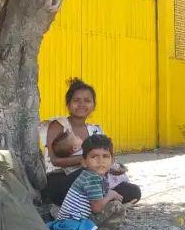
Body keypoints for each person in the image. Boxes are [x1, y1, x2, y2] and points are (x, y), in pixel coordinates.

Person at [43, 78, 141, 206]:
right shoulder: (59, 125)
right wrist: (86, 160)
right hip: (62, 181)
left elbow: (108, 156)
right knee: (88, 174)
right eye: (76, 100)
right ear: (68, 104)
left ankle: (98, 201)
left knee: (133, 191)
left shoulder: (96, 130)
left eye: (87, 101)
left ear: (94, 105)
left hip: (93, 181)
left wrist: (112, 165)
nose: (82, 104)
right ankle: (102, 202)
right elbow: (55, 161)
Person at [48, 134, 127, 230]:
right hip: (72, 228)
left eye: (106, 156)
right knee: (116, 207)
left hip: (69, 225)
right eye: (94, 156)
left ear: (112, 160)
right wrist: (112, 194)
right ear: (84, 162)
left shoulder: (91, 174)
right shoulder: (92, 178)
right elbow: (97, 208)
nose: (101, 161)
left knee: (111, 201)